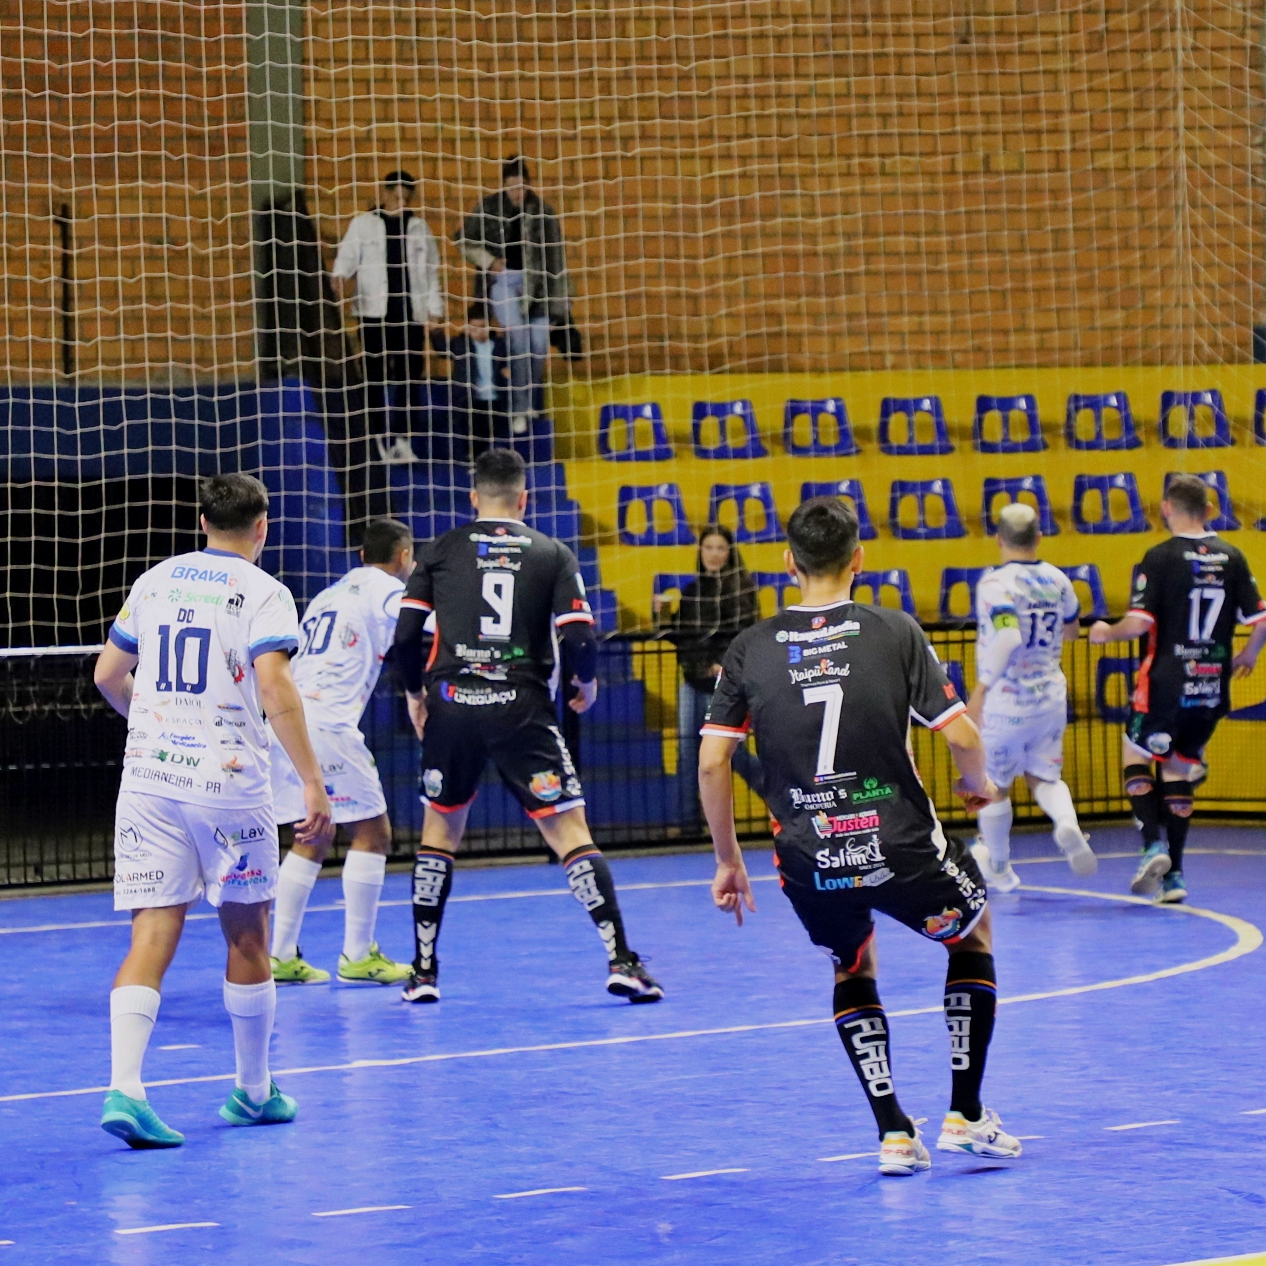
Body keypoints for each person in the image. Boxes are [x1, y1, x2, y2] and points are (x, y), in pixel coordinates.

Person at [700, 494, 1017, 1177]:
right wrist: (978, 785)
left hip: (809, 852)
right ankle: (965, 1115)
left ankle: (894, 1134)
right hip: (899, 842)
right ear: (859, 560)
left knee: (852, 964)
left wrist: (728, 860)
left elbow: (712, 761)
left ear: (789, 563)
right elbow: (962, 736)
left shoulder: (751, 647)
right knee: (972, 934)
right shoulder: (893, 630)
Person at [88, 472, 332, 1149]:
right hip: (226, 785)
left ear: (202, 522)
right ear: (262, 526)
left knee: (150, 935)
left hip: (148, 780)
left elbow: (107, 674)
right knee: (248, 936)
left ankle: (125, 1089)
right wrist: (312, 782)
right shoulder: (264, 591)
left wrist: (153, 724)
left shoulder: (155, 580)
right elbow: (275, 686)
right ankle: (253, 1093)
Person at [388, 446, 663, 1005]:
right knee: (569, 833)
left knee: (440, 833)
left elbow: (405, 637)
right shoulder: (551, 552)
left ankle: (423, 971)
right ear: (524, 499)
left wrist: (415, 695)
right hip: (520, 704)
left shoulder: (441, 550)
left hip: (452, 702)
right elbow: (579, 636)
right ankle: (621, 960)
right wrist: (585, 683)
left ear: (474, 497)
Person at [1087, 472, 1266, 905]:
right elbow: (1263, 620)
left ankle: (1153, 844)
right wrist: (1248, 655)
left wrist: (1104, 632)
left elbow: (1139, 624)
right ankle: (1175, 878)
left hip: (1166, 682)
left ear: (1166, 508)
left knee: (1136, 754)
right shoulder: (1232, 556)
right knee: (1177, 768)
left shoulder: (1160, 556)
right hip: (1211, 684)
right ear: (1208, 509)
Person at [261, 517, 419, 986]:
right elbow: (418, 626)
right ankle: (358, 955)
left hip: (287, 721)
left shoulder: (328, 595)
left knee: (314, 834)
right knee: (374, 833)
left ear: (362, 555)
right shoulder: (387, 589)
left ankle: (279, 955)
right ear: (404, 557)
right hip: (328, 724)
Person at [966, 501, 1096, 892]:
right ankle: (1067, 824)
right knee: (1045, 776)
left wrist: (980, 691)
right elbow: (1072, 630)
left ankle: (1000, 868)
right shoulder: (1059, 579)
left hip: (1006, 700)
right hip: (1050, 696)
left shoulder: (994, 584)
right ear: (1038, 537)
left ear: (998, 539)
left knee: (993, 785)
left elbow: (1007, 636)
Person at [330, 170, 449, 476]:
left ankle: (402, 438)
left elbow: (430, 274)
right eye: (395, 197)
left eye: (405, 198)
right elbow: (346, 258)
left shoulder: (420, 229)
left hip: (410, 314)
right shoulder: (363, 224)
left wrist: (435, 311)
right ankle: (376, 437)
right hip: (374, 312)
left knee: (409, 376)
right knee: (373, 374)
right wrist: (339, 279)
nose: (400, 203)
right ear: (384, 195)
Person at [655, 524, 764, 821]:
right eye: (708, 547)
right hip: (693, 682)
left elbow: (747, 636)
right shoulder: (692, 592)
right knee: (687, 752)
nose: (714, 554)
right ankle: (688, 822)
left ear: (730, 553)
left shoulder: (741, 590)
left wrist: (723, 666)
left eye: (720, 548)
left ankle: (780, 798)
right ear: (700, 552)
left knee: (732, 753)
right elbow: (680, 636)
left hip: (724, 684)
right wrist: (661, 616)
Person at [456, 156, 569, 437]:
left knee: (538, 345)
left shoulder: (543, 212)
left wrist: (559, 307)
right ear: (504, 186)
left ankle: (528, 403)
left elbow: (557, 260)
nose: (517, 192)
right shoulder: (489, 207)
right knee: (517, 338)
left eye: (521, 187)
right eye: (512, 187)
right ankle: (518, 409)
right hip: (503, 281)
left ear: (529, 184)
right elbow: (463, 239)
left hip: (537, 286)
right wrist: (488, 261)